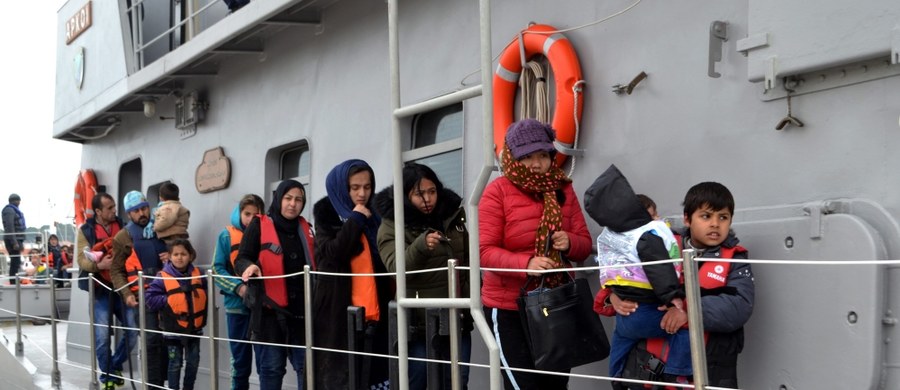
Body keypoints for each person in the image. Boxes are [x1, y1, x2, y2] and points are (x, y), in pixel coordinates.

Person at [598, 182, 755, 389]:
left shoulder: (736, 258)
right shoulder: (658, 244)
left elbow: (739, 306)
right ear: (687, 219)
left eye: (723, 217)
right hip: (645, 371)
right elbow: (625, 271)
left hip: (705, 373)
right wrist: (611, 296)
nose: (715, 224)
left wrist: (688, 312)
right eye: (706, 216)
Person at [478, 119, 593, 389]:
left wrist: (571, 242)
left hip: (555, 305)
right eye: (527, 156)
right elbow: (484, 252)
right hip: (508, 308)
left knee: (555, 385)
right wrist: (525, 263)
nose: (536, 163)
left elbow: (585, 245)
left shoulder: (563, 188)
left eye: (542, 155)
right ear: (513, 157)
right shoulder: (497, 191)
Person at [582, 165, 689, 383]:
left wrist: (611, 294)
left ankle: (616, 378)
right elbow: (659, 268)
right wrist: (674, 299)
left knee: (620, 341)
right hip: (647, 311)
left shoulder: (612, 236)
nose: (657, 219)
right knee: (684, 327)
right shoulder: (647, 235)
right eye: (652, 215)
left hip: (625, 318)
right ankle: (677, 373)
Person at [374, 162, 472, 389]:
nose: (428, 199)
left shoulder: (453, 216)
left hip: (456, 316)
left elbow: (468, 258)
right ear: (406, 195)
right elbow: (395, 268)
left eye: (432, 191)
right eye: (419, 194)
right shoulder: (391, 225)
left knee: (457, 381)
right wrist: (421, 245)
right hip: (416, 323)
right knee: (415, 380)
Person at [312, 159, 393, 390]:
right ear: (342, 187)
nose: (362, 194)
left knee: (376, 373)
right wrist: (356, 219)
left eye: (367, 187)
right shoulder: (326, 213)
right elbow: (332, 253)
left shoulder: (377, 215)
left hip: (376, 309)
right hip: (338, 309)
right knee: (343, 375)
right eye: (355, 187)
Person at [234, 181, 314, 390]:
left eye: (298, 199)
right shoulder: (259, 225)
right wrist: (250, 267)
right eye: (288, 198)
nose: (293, 204)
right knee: (271, 370)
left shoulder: (307, 229)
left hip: (302, 315)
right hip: (269, 315)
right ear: (279, 199)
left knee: (306, 369)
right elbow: (241, 259)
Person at [75, 192, 136, 390]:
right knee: (101, 338)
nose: (114, 211)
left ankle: (112, 367)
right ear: (99, 211)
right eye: (109, 208)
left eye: (114, 207)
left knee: (133, 332)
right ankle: (109, 377)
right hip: (100, 290)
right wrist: (99, 265)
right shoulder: (85, 231)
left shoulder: (125, 227)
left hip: (123, 287)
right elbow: (82, 260)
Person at [110, 190, 169, 388]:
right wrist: (126, 294)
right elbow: (116, 271)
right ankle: (154, 385)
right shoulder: (122, 237)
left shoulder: (162, 228)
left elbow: (183, 251)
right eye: (137, 211)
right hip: (142, 296)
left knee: (169, 341)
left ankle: (168, 382)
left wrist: (170, 256)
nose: (142, 213)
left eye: (144, 208)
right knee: (151, 340)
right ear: (129, 214)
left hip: (168, 292)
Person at [212, 194, 264, 390]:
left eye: (255, 214)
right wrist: (238, 287)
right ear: (240, 213)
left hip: (262, 308)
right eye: (247, 214)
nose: (251, 218)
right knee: (240, 364)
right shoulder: (226, 236)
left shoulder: (267, 234)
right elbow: (217, 269)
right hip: (237, 308)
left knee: (264, 363)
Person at [146, 239, 207, 390]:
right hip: (172, 331)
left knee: (193, 363)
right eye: (176, 254)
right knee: (175, 364)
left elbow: (204, 292)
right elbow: (149, 298)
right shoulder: (162, 276)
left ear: (190, 255)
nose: (179, 257)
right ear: (169, 256)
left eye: (183, 254)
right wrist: (169, 300)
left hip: (194, 330)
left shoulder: (199, 274)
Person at [2, 193, 26, 280]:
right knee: (15, 261)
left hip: (17, 239)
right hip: (12, 239)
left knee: (16, 261)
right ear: (15, 201)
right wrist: (14, 242)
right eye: (18, 200)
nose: (19, 202)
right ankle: (13, 280)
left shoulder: (14, 210)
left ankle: (15, 279)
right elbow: (10, 226)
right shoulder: (9, 210)